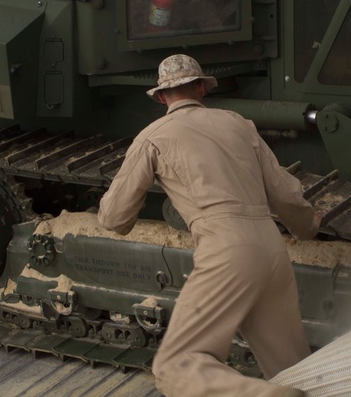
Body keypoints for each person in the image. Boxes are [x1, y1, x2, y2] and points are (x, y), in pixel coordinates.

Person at [97, 54, 319, 397]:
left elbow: (114, 218)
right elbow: (285, 193)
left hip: (226, 249)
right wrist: (307, 227)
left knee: (175, 367)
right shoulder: (238, 123)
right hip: (272, 249)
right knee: (291, 368)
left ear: (160, 97)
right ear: (202, 87)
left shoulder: (153, 136)